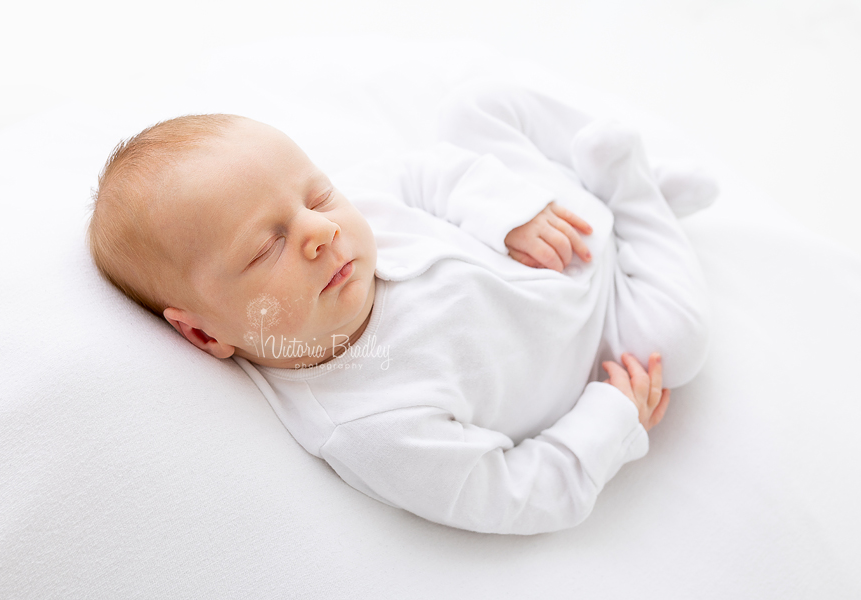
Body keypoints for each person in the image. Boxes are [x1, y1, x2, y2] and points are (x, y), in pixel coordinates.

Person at [88, 82, 714, 534]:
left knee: (475, 107)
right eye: (266, 247)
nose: (319, 230)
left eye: (318, 194)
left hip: (548, 223)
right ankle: (635, 194)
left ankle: (609, 180)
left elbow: (427, 174)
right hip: (604, 329)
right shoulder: (373, 426)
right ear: (202, 333)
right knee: (678, 344)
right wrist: (609, 419)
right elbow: (514, 494)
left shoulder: (352, 214)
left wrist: (507, 212)